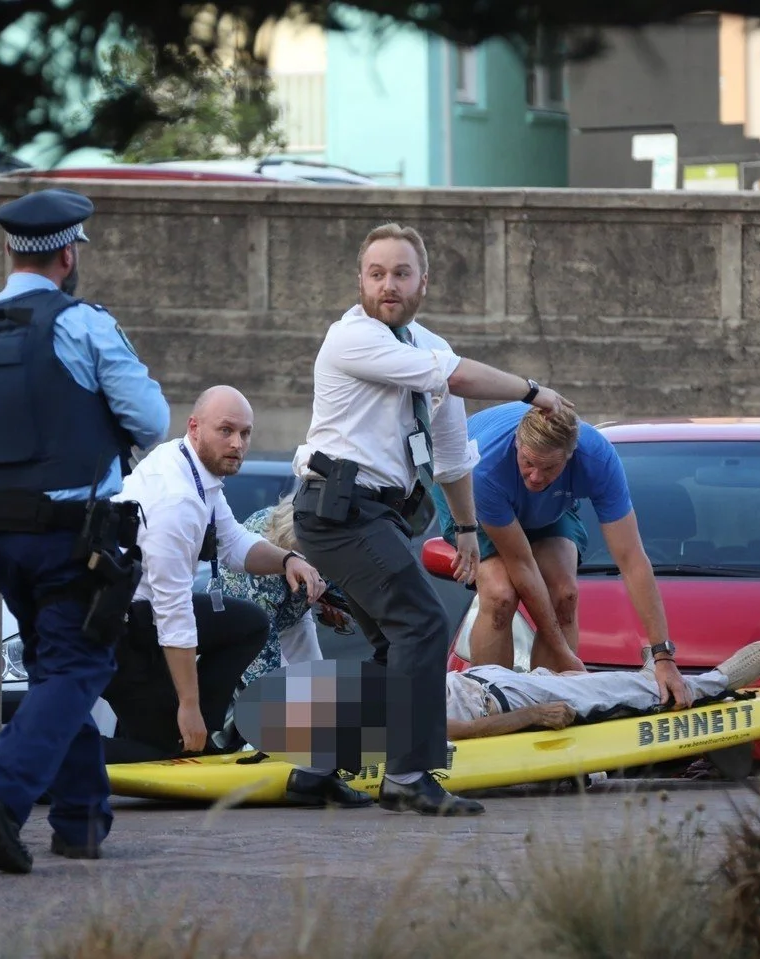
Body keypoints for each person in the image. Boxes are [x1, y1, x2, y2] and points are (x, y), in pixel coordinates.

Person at [0, 187, 170, 873]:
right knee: (80, 665)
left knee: (58, 668)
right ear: (67, 253)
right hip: (72, 537)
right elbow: (151, 421)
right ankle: (1, 790)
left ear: (8, 250)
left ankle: (82, 821)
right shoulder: (82, 325)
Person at [291, 222, 574, 817]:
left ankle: (316, 768)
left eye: (400, 273)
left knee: (397, 647)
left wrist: (468, 531)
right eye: (376, 274)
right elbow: (453, 378)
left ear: (424, 281)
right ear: (360, 281)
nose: (387, 285)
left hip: (379, 517)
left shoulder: (430, 346)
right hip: (337, 513)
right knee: (420, 624)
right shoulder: (351, 339)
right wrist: (533, 392)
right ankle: (409, 776)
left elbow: (450, 455)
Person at [103, 385, 373, 809]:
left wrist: (287, 561)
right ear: (194, 428)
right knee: (163, 753)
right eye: (225, 430)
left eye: (245, 433)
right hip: (117, 629)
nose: (237, 444)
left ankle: (196, 736)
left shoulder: (196, 472)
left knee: (245, 622)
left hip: (144, 616)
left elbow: (234, 544)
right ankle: (53, 756)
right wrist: (188, 707)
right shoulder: (177, 500)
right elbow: (175, 616)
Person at [431, 403, 691, 710]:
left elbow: (632, 558)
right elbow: (522, 564)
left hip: (551, 505)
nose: (536, 477)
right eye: (528, 462)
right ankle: (490, 703)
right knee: (500, 594)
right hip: (470, 494)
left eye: (549, 467)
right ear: (518, 443)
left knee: (565, 595)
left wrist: (663, 656)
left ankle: (554, 699)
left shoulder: (597, 459)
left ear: (569, 456)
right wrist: (566, 656)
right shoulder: (487, 465)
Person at [445, 642, 760, 741]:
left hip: (479, 680)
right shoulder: (394, 726)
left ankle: (647, 680)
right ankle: (717, 682)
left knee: (579, 680)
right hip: (495, 700)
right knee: (602, 694)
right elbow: (460, 732)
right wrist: (534, 715)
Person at [216, 495, 352, 690]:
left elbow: (347, 592)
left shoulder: (328, 540)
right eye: (304, 563)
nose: (313, 573)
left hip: (294, 619)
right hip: (243, 623)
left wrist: (341, 612)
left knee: (318, 690)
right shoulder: (263, 573)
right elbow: (263, 665)